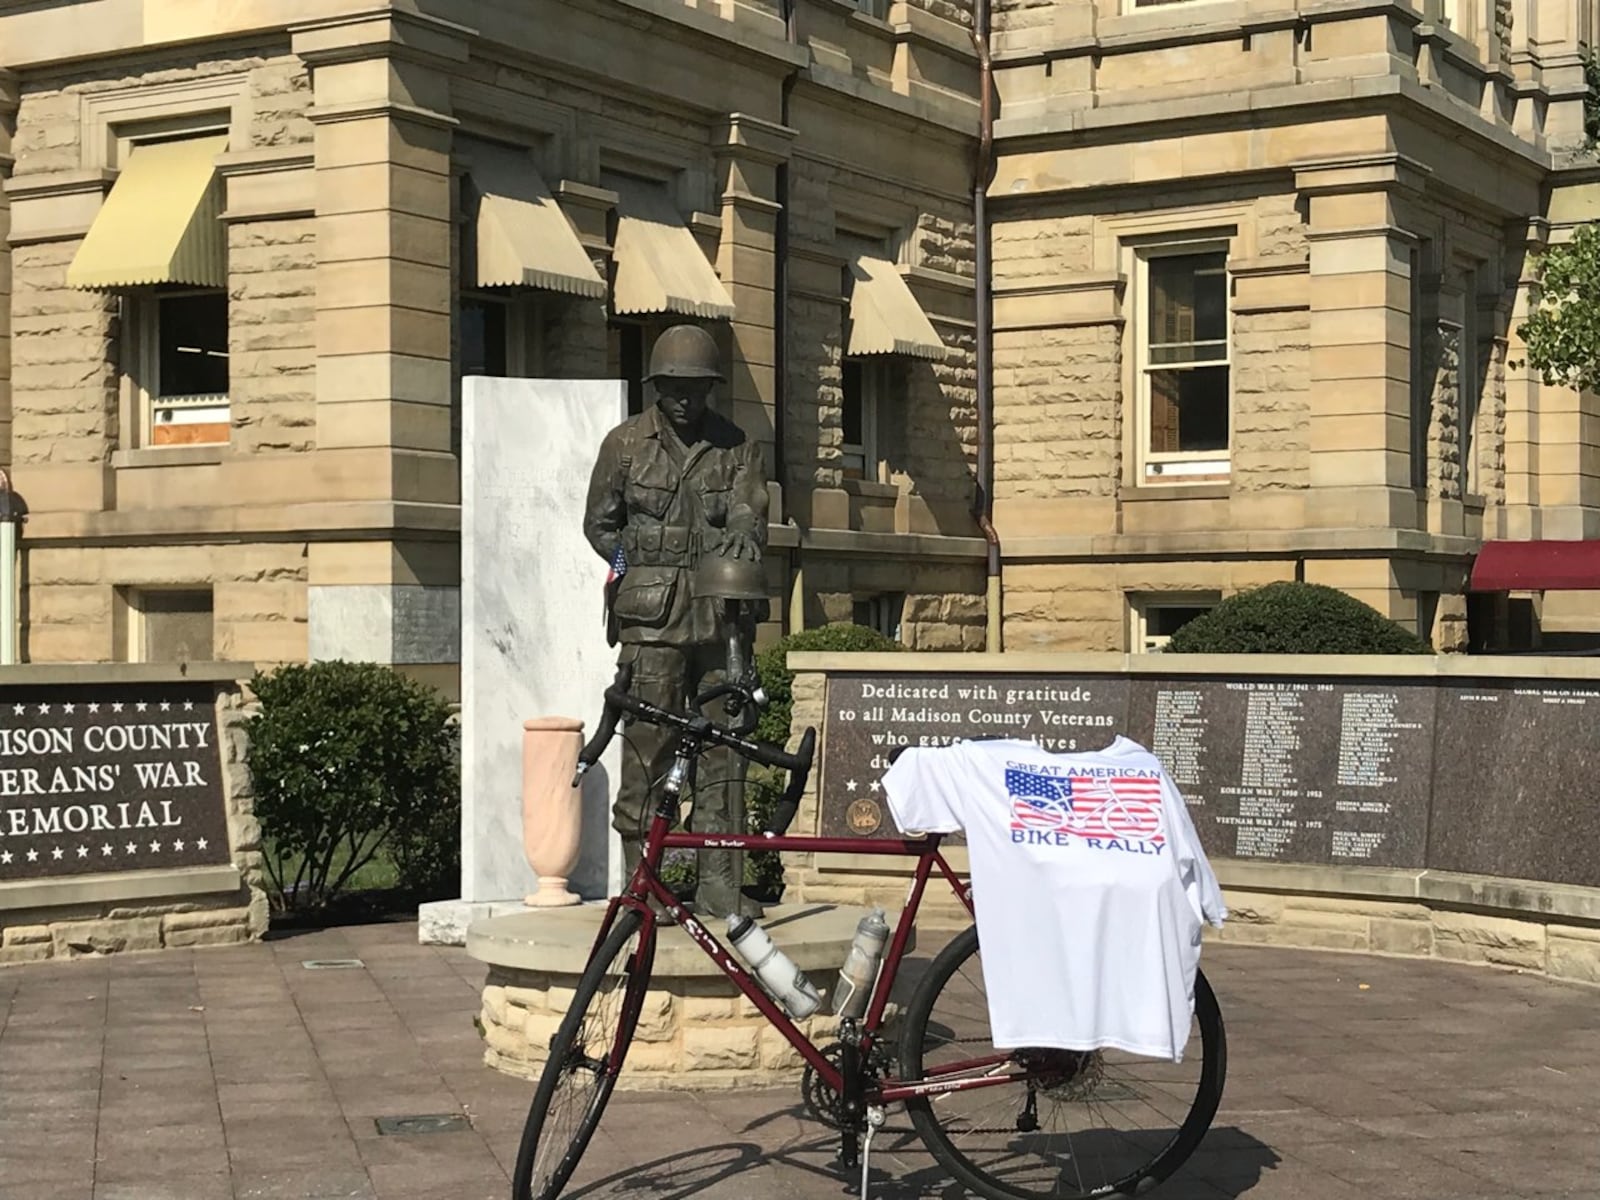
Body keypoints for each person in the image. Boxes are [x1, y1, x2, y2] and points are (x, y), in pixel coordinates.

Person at [582, 324, 769, 918]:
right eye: (674, 387)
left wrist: (742, 531)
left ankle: (720, 883)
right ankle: (646, 885)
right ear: (656, 385)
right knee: (647, 750)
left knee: (724, 752)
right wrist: (630, 566)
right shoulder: (625, 445)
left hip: (719, 622)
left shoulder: (736, 446)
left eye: (697, 388)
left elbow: (749, 510)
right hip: (652, 624)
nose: (686, 398)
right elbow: (599, 526)